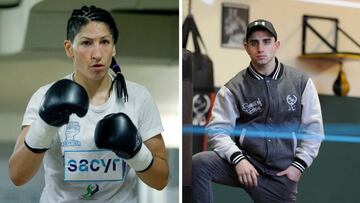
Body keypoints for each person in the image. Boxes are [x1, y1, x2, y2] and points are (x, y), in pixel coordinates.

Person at [8, 5, 169, 202]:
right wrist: (45, 125)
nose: (97, 54)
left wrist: (137, 153)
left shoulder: (138, 98)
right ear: (69, 48)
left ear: (114, 46)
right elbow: (17, 175)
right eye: (86, 43)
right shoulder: (45, 96)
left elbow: (161, 180)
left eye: (105, 42)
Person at [192, 19, 324, 203]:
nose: (260, 48)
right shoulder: (233, 88)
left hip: (281, 174)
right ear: (246, 47)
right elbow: (217, 130)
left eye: (266, 41)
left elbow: (314, 131)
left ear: (276, 45)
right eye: (254, 43)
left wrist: (299, 166)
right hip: (245, 165)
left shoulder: (301, 83)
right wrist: (238, 160)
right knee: (199, 164)